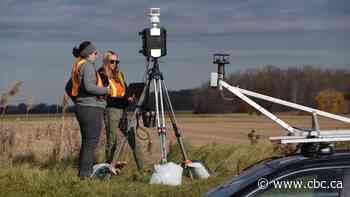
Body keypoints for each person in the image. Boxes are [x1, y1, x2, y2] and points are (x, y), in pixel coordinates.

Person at [67, 41, 110, 179]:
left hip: (83, 107)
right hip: (91, 108)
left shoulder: (79, 65)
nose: (96, 55)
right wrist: (106, 90)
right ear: (89, 53)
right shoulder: (87, 66)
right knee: (91, 142)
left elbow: (68, 88)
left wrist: (78, 101)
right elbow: (89, 87)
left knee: (87, 142)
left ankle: (83, 173)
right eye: (95, 52)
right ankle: (85, 175)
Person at [98, 50, 144, 172]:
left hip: (123, 110)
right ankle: (108, 170)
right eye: (112, 61)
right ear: (106, 61)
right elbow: (105, 96)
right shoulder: (101, 75)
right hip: (111, 110)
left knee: (132, 138)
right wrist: (123, 100)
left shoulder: (120, 75)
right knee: (112, 140)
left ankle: (142, 169)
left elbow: (125, 93)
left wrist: (130, 99)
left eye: (117, 61)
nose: (115, 64)